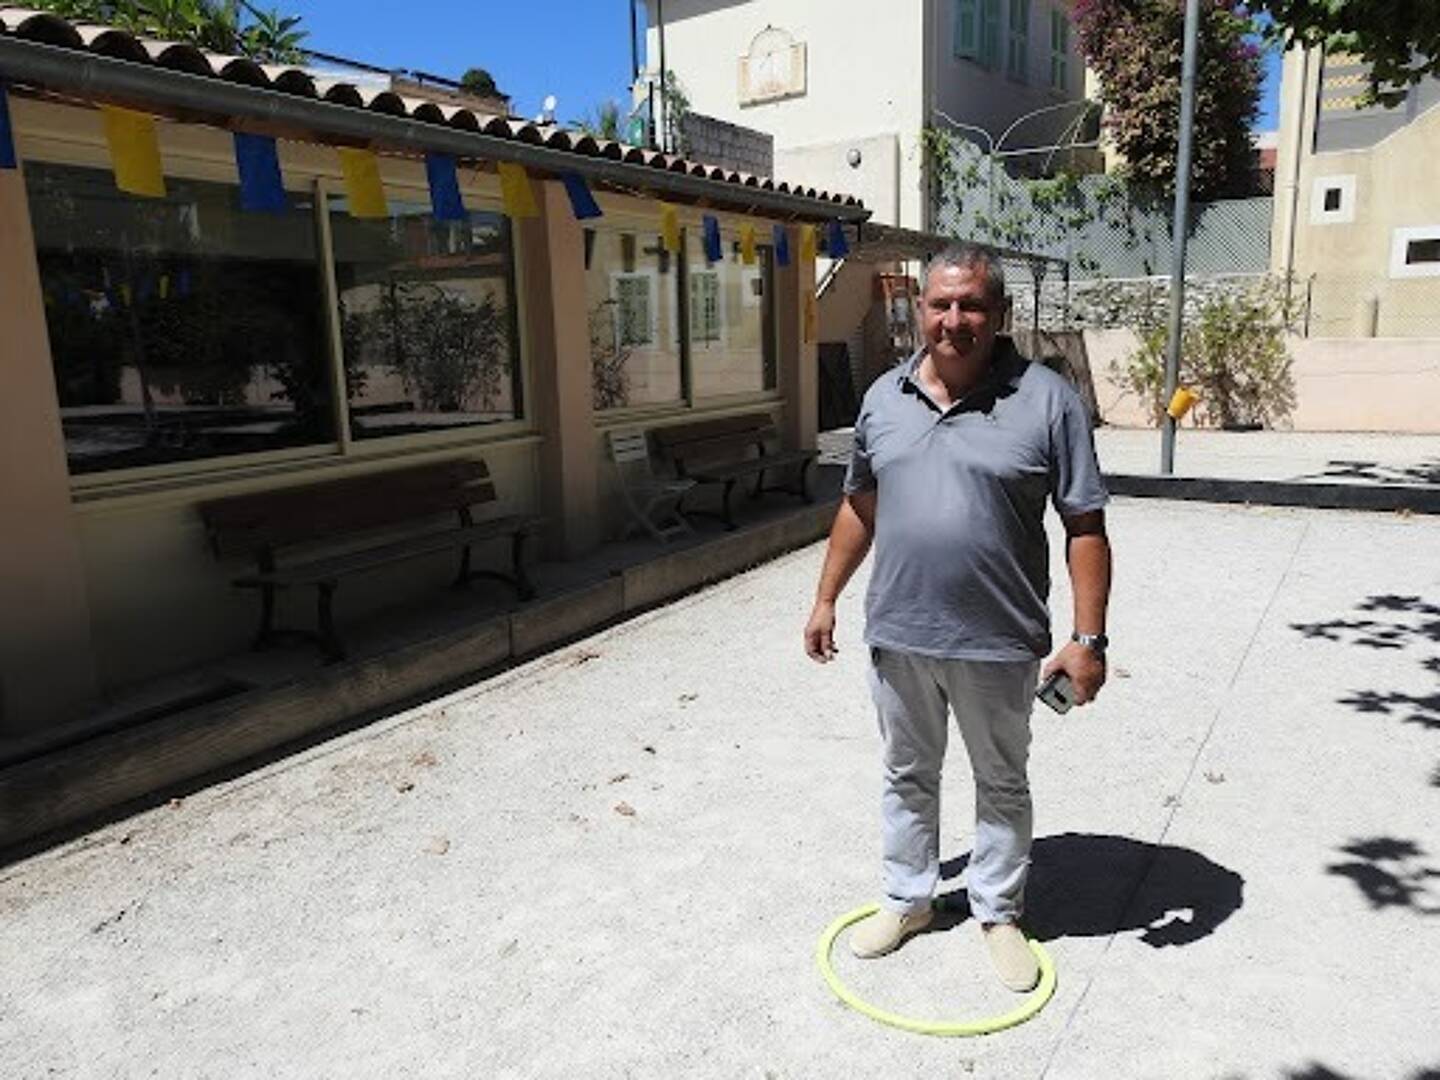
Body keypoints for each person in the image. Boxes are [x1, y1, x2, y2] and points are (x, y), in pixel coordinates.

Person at [803, 243, 1112, 993]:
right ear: (920, 310)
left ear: (999, 313)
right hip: (899, 632)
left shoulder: (1047, 400)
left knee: (1001, 781)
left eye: (971, 304)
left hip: (999, 638)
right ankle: (909, 899)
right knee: (908, 774)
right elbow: (859, 506)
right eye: (939, 304)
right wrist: (825, 596)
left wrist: (1088, 639)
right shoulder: (882, 398)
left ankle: (998, 912)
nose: (953, 319)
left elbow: (1085, 525)